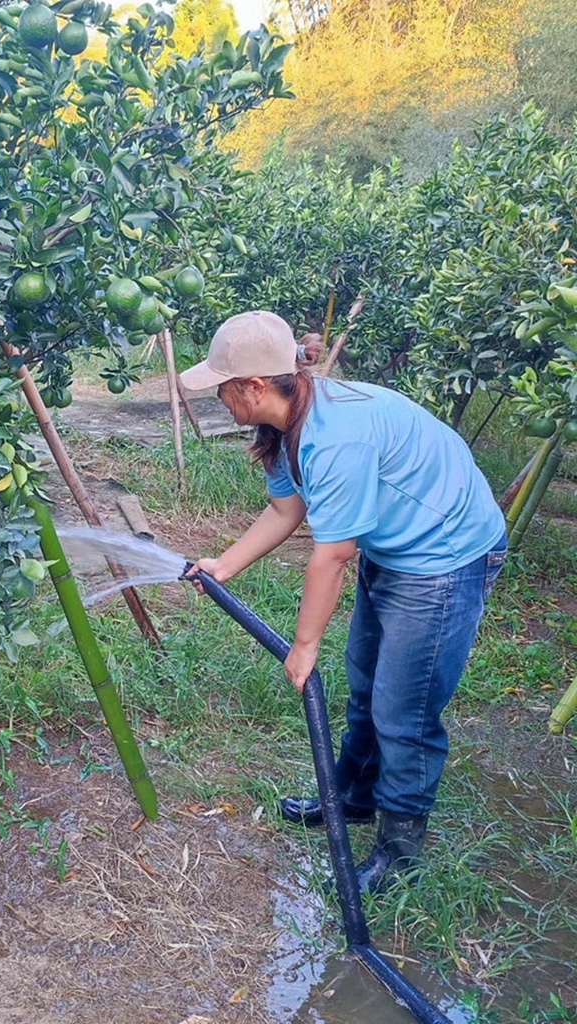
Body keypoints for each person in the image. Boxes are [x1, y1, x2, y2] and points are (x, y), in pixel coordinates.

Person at [180, 311, 507, 894]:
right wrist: (224, 565)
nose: (217, 396)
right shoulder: (287, 428)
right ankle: (353, 800)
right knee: (366, 681)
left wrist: (304, 647)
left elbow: (331, 556)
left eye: (222, 386)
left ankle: (400, 850)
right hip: (398, 546)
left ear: (255, 386)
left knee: (403, 710)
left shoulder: (336, 437)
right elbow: (286, 511)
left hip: (445, 555)